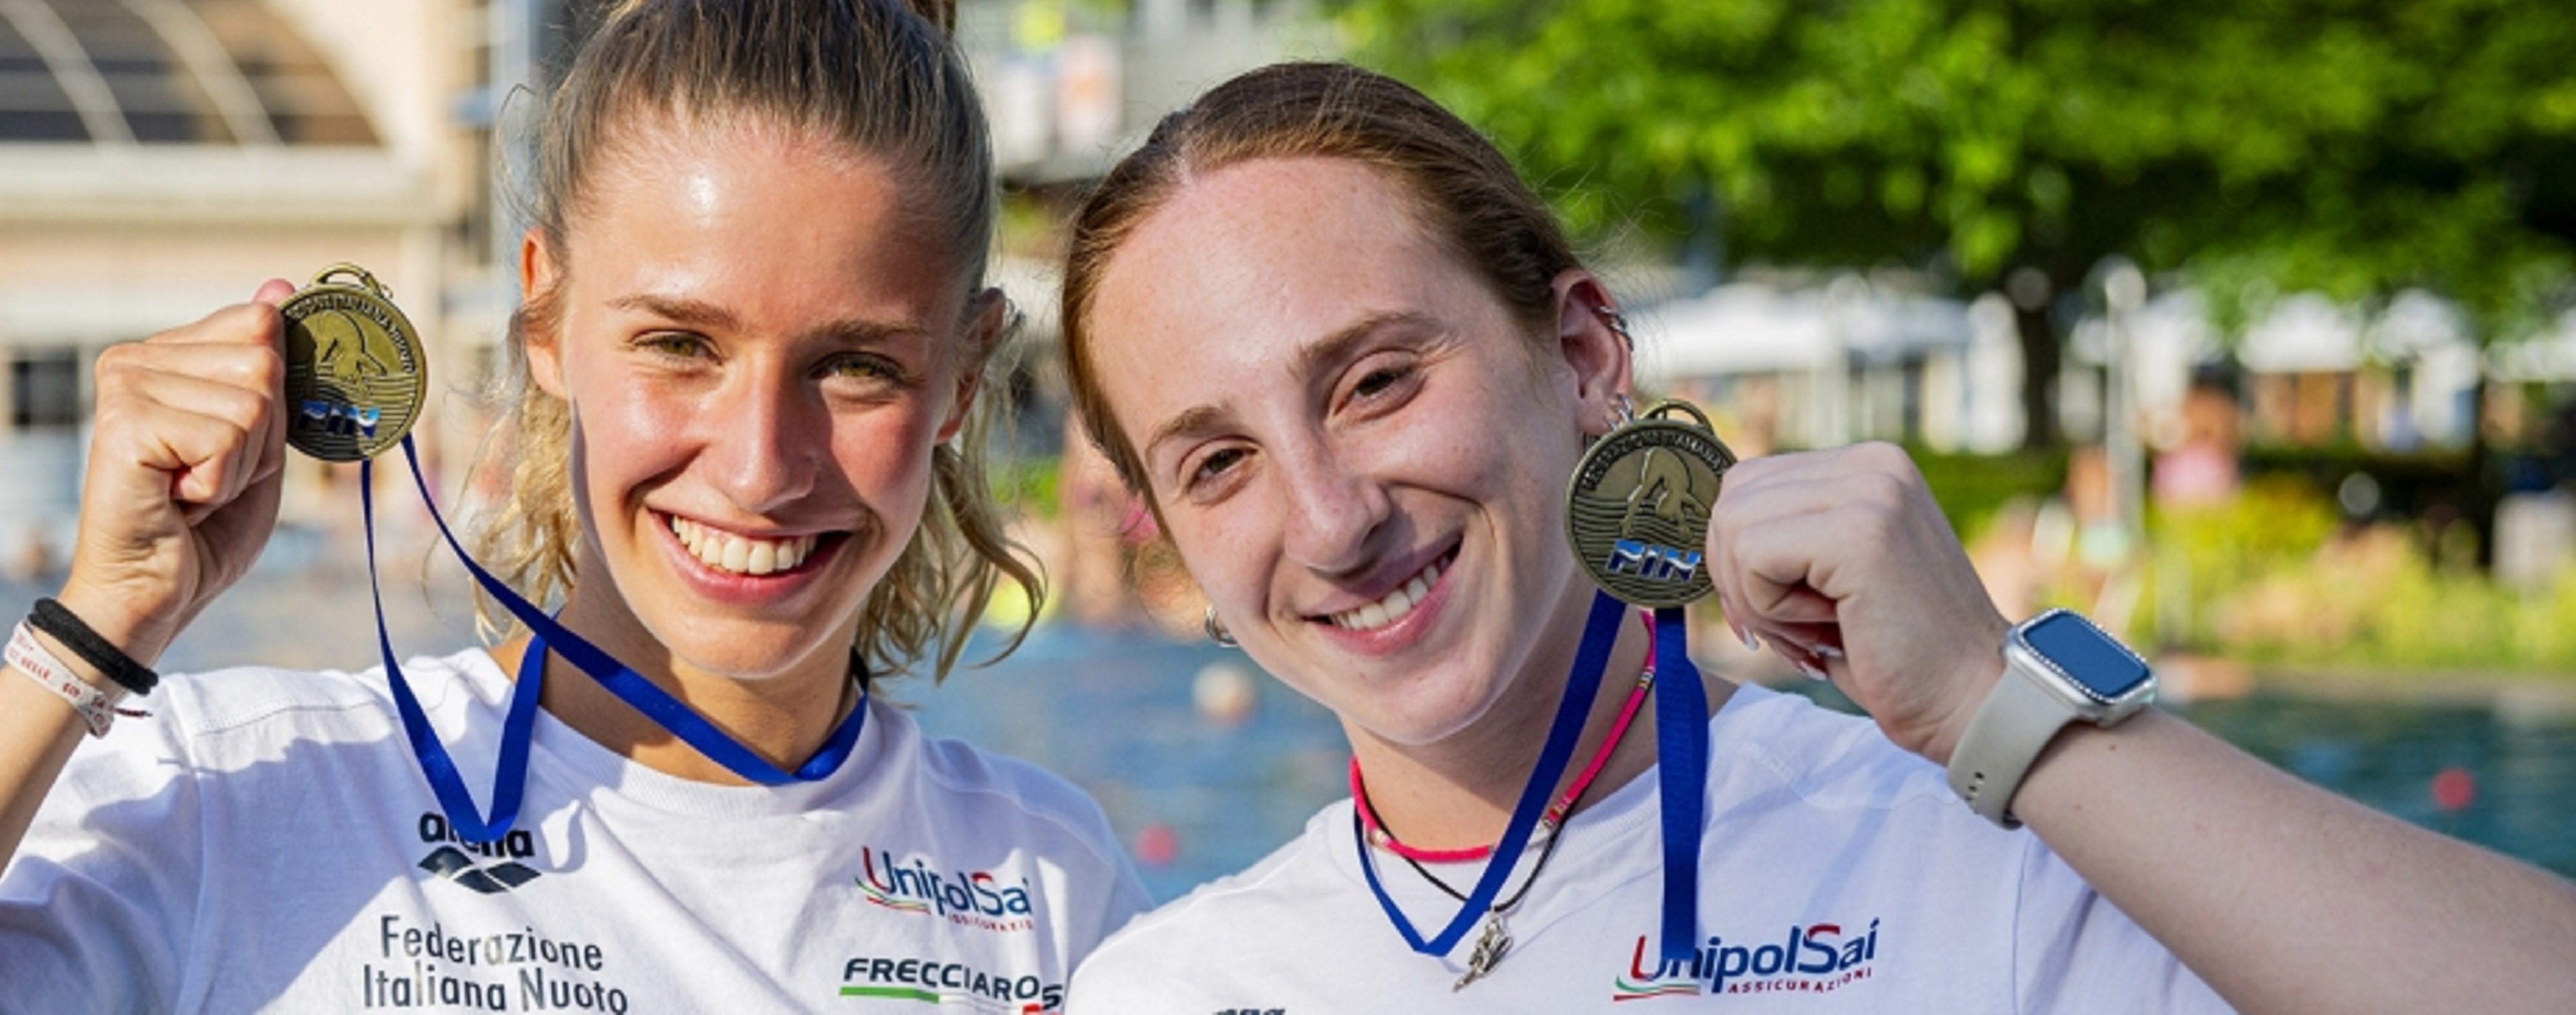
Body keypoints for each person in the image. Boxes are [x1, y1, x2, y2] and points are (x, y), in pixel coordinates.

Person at [0, 0, 1148, 1011]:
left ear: (966, 372)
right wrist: (93, 631)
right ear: (544, 317)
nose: (760, 464)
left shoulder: (1046, 885)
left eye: (859, 365)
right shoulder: (247, 794)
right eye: (679, 343)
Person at [1053, 61, 2576, 1011]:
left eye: (1379, 379)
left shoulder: (1987, 855)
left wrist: (2004, 703)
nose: (1329, 516)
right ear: (1170, 534)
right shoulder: (1172, 985)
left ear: (1584, 358)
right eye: (1220, 460)